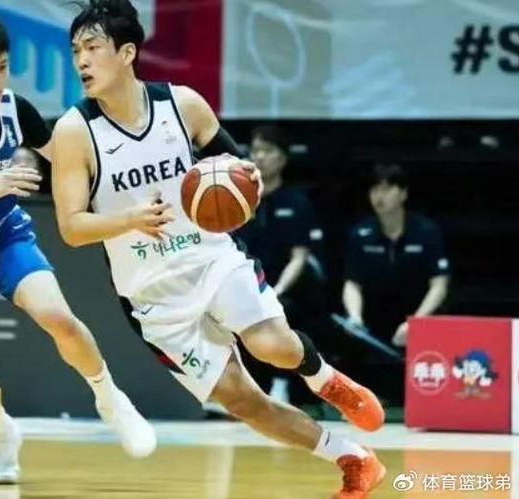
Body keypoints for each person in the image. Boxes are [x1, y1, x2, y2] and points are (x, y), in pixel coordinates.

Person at [49, 1, 386, 497]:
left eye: (92, 48)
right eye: (76, 50)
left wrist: (249, 180)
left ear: (127, 52)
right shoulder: (74, 131)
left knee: (272, 345)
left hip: (212, 259)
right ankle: (353, 458)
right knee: (244, 403)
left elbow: (238, 167)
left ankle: (326, 380)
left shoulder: (182, 105)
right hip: (152, 295)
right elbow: (71, 227)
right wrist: (129, 220)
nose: (81, 60)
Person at [0, 13, 155, 485]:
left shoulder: (17, 110)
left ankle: (110, 399)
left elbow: (72, 160)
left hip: (4, 238)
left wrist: (129, 190)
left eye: (2, 67)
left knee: (59, 317)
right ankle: (1, 431)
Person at [234, 124, 327, 406]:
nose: (260, 156)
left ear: (283, 158)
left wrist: (276, 290)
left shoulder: (297, 203)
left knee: (289, 309)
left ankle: (282, 383)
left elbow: (300, 257)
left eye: (268, 150)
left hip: (282, 287)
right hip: (242, 283)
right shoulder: (236, 197)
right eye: (256, 150)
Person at [342, 163, 450, 403]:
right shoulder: (360, 233)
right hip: (376, 313)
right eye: (374, 190)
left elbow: (439, 285)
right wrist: (355, 316)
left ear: (403, 194)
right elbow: (352, 284)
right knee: (349, 336)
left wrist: (416, 322)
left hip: (418, 312)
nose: (379, 196)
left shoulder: (426, 231)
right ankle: (359, 399)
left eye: (387, 189)